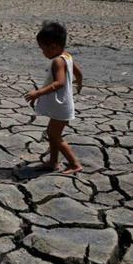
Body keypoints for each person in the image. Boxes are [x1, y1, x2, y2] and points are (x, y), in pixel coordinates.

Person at [24, 22, 84, 175]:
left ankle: (74, 163)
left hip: (61, 106)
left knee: (55, 136)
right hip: (63, 104)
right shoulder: (67, 56)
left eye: (43, 49)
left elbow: (59, 83)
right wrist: (79, 82)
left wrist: (38, 93)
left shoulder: (58, 61)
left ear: (53, 46)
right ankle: (53, 162)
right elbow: (78, 72)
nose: (43, 52)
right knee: (52, 134)